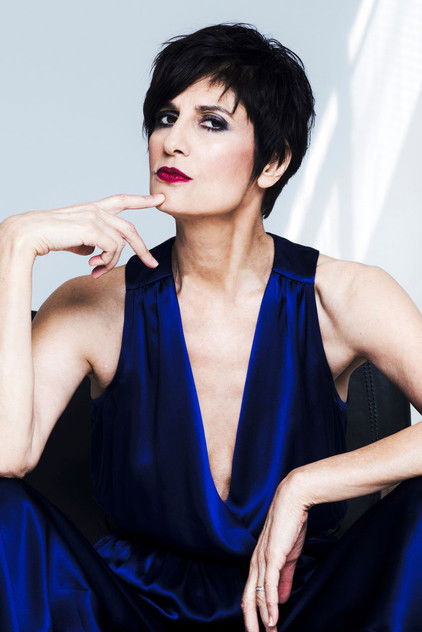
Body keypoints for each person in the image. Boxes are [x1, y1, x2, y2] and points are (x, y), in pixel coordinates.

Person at [0, 21, 421, 632]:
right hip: (128, 611)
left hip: (299, 606)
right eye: (165, 118)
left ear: (273, 162)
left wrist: (305, 485)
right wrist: (15, 244)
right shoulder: (94, 305)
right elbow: (8, 456)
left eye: (211, 122)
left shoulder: (344, 295)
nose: (172, 142)